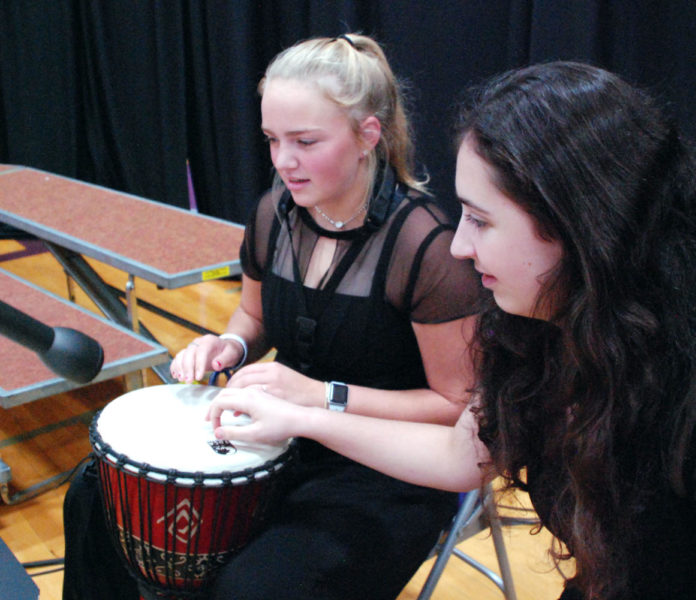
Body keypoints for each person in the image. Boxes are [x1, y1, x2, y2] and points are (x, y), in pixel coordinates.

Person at [206, 61, 696, 600]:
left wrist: (318, 404)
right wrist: (303, 417)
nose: (459, 247)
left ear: (578, 228)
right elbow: (464, 456)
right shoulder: (538, 324)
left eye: (480, 220)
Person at [62, 34, 482, 600]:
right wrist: (229, 346)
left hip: (390, 471)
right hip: (278, 435)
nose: (284, 161)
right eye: (272, 140)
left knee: (252, 588)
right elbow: (251, 318)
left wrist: (319, 395)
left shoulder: (427, 247)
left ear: (368, 136)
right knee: (94, 493)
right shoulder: (274, 213)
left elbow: (454, 408)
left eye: (306, 141)